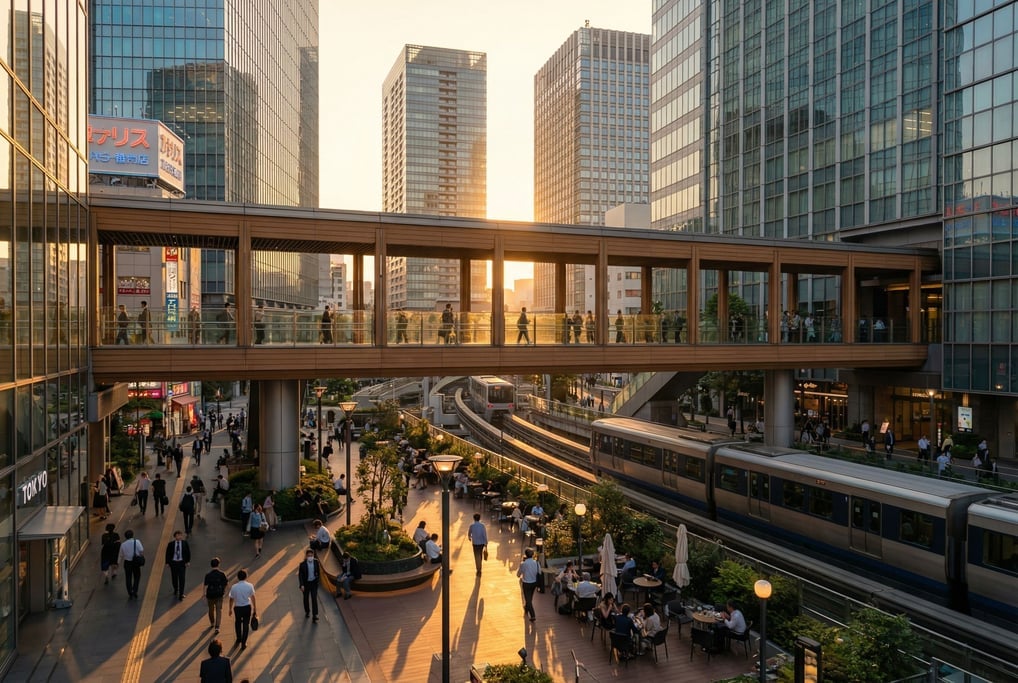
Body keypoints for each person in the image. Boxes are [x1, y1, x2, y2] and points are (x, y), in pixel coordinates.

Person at [228, 569, 257, 651]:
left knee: (237, 622)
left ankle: (238, 638)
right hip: (247, 607)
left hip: (237, 608)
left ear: (237, 577)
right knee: (246, 624)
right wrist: (255, 608)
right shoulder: (250, 585)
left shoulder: (234, 587)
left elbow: (231, 599)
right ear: (246, 576)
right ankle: (244, 643)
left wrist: (230, 609)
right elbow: (253, 597)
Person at [203, 557, 229, 634]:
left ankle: (212, 622)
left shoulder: (208, 575)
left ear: (211, 565)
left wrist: (204, 594)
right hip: (219, 594)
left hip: (210, 595)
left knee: (211, 610)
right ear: (219, 564)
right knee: (218, 610)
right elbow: (226, 583)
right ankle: (217, 627)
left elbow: (205, 585)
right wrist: (226, 592)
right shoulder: (222, 574)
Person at [164, 530, 191, 601]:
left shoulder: (185, 543)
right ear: (175, 536)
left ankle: (181, 593)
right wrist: (167, 563)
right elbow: (168, 554)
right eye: (178, 535)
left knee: (182, 579)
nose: (179, 536)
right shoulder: (171, 544)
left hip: (182, 563)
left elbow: (188, 552)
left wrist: (188, 561)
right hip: (174, 563)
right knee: (174, 578)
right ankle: (176, 588)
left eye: (180, 535)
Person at [118, 529, 144, 599]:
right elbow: (141, 551)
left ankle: (130, 592)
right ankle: (135, 591)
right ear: (132, 535)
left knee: (128, 577)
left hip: (127, 563)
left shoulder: (123, 544)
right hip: (135, 562)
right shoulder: (137, 541)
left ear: (125, 537)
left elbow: (120, 555)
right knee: (137, 576)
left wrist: (118, 563)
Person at [298, 548, 322, 622]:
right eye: (309, 556)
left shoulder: (316, 562)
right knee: (306, 598)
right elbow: (300, 575)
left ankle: (315, 615)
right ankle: (307, 611)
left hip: (314, 583)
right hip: (306, 584)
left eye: (311, 555)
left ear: (313, 555)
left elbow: (318, 572)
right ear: (306, 556)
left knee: (314, 598)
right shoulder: (302, 565)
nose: (310, 557)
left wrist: (317, 580)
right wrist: (302, 585)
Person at [517, 547, 540, 622]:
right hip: (534, 582)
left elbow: (518, 574)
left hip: (526, 583)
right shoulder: (536, 563)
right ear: (533, 555)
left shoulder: (523, 564)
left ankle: (533, 615)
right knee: (530, 598)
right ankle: (526, 609)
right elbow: (539, 572)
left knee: (528, 599)